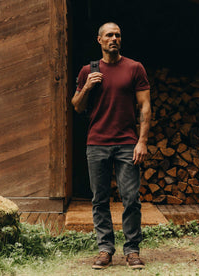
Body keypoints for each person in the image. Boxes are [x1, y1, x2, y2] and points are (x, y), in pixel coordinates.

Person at [71, 22, 151, 269]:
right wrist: (87, 87)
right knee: (99, 199)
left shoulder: (134, 68)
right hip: (97, 143)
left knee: (131, 198)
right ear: (100, 40)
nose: (114, 38)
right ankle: (105, 249)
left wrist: (142, 141)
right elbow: (77, 105)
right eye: (109, 35)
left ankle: (132, 250)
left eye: (117, 35)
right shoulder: (89, 70)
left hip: (127, 143)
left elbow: (145, 106)